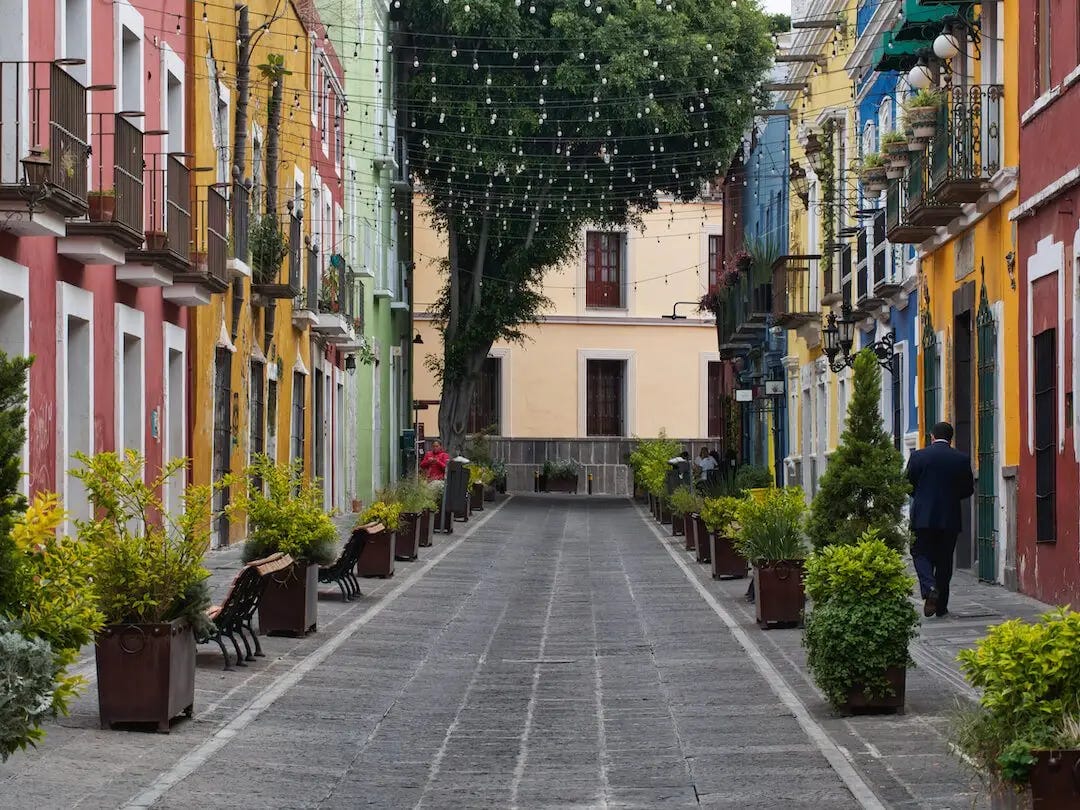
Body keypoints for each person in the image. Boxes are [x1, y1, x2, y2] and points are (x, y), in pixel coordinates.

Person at [904, 421, 975, 618]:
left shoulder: (919, 456)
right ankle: (941, 607)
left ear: (932, 437)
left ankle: (929, 587)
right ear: (950, 438)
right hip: (950, 517)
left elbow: (908, 483)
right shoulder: (961, 459)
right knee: (944, 561)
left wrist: (922, 495)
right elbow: (968, 489)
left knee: (919, 553)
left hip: (923, 517)